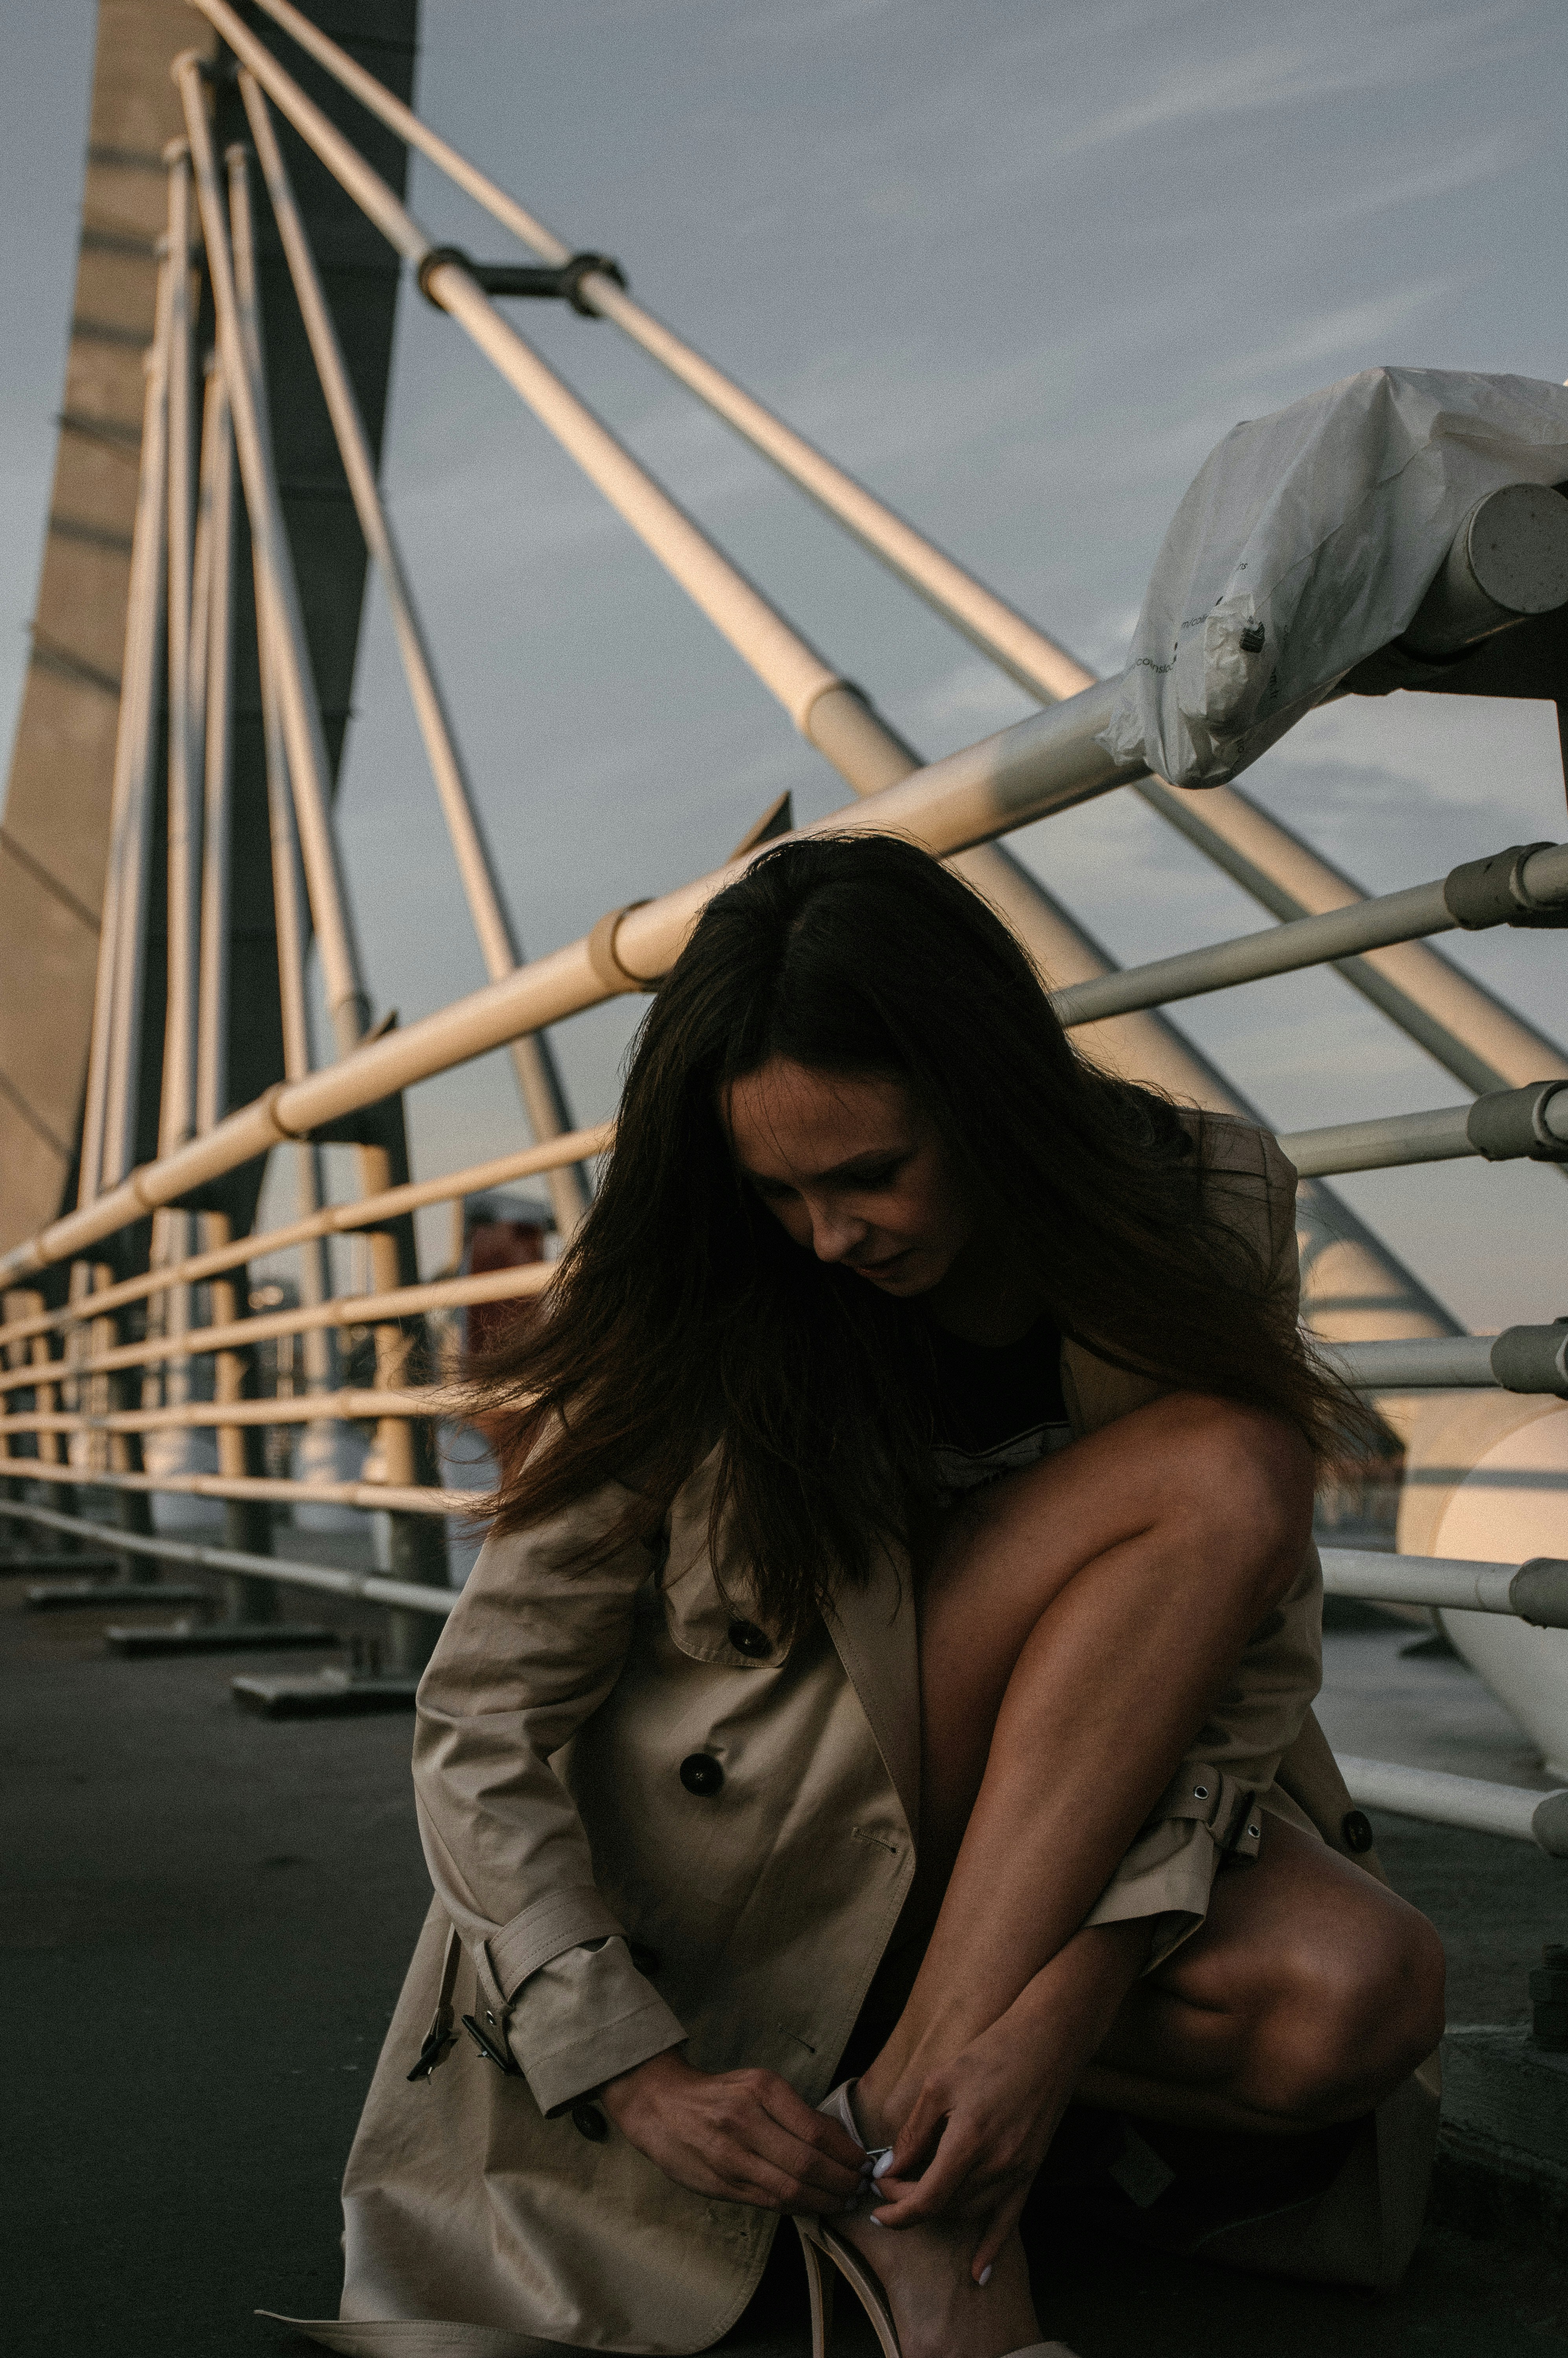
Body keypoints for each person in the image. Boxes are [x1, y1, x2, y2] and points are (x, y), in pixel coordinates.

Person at [301, 835, 1445, 2358]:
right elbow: (479, 1713)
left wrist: (1053, 2015)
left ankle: (897, 2121)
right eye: (780, 1191)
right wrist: (628, 2068)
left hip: (1041, 1843)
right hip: (780, 1857)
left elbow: (1244, 1669)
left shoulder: (1195, 1207)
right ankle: (942, 2211)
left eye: (869, 1175)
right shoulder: (695, 1282)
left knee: (1358, 1995)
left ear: (984, 1102)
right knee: (1222, 1468)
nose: (828, 1237)